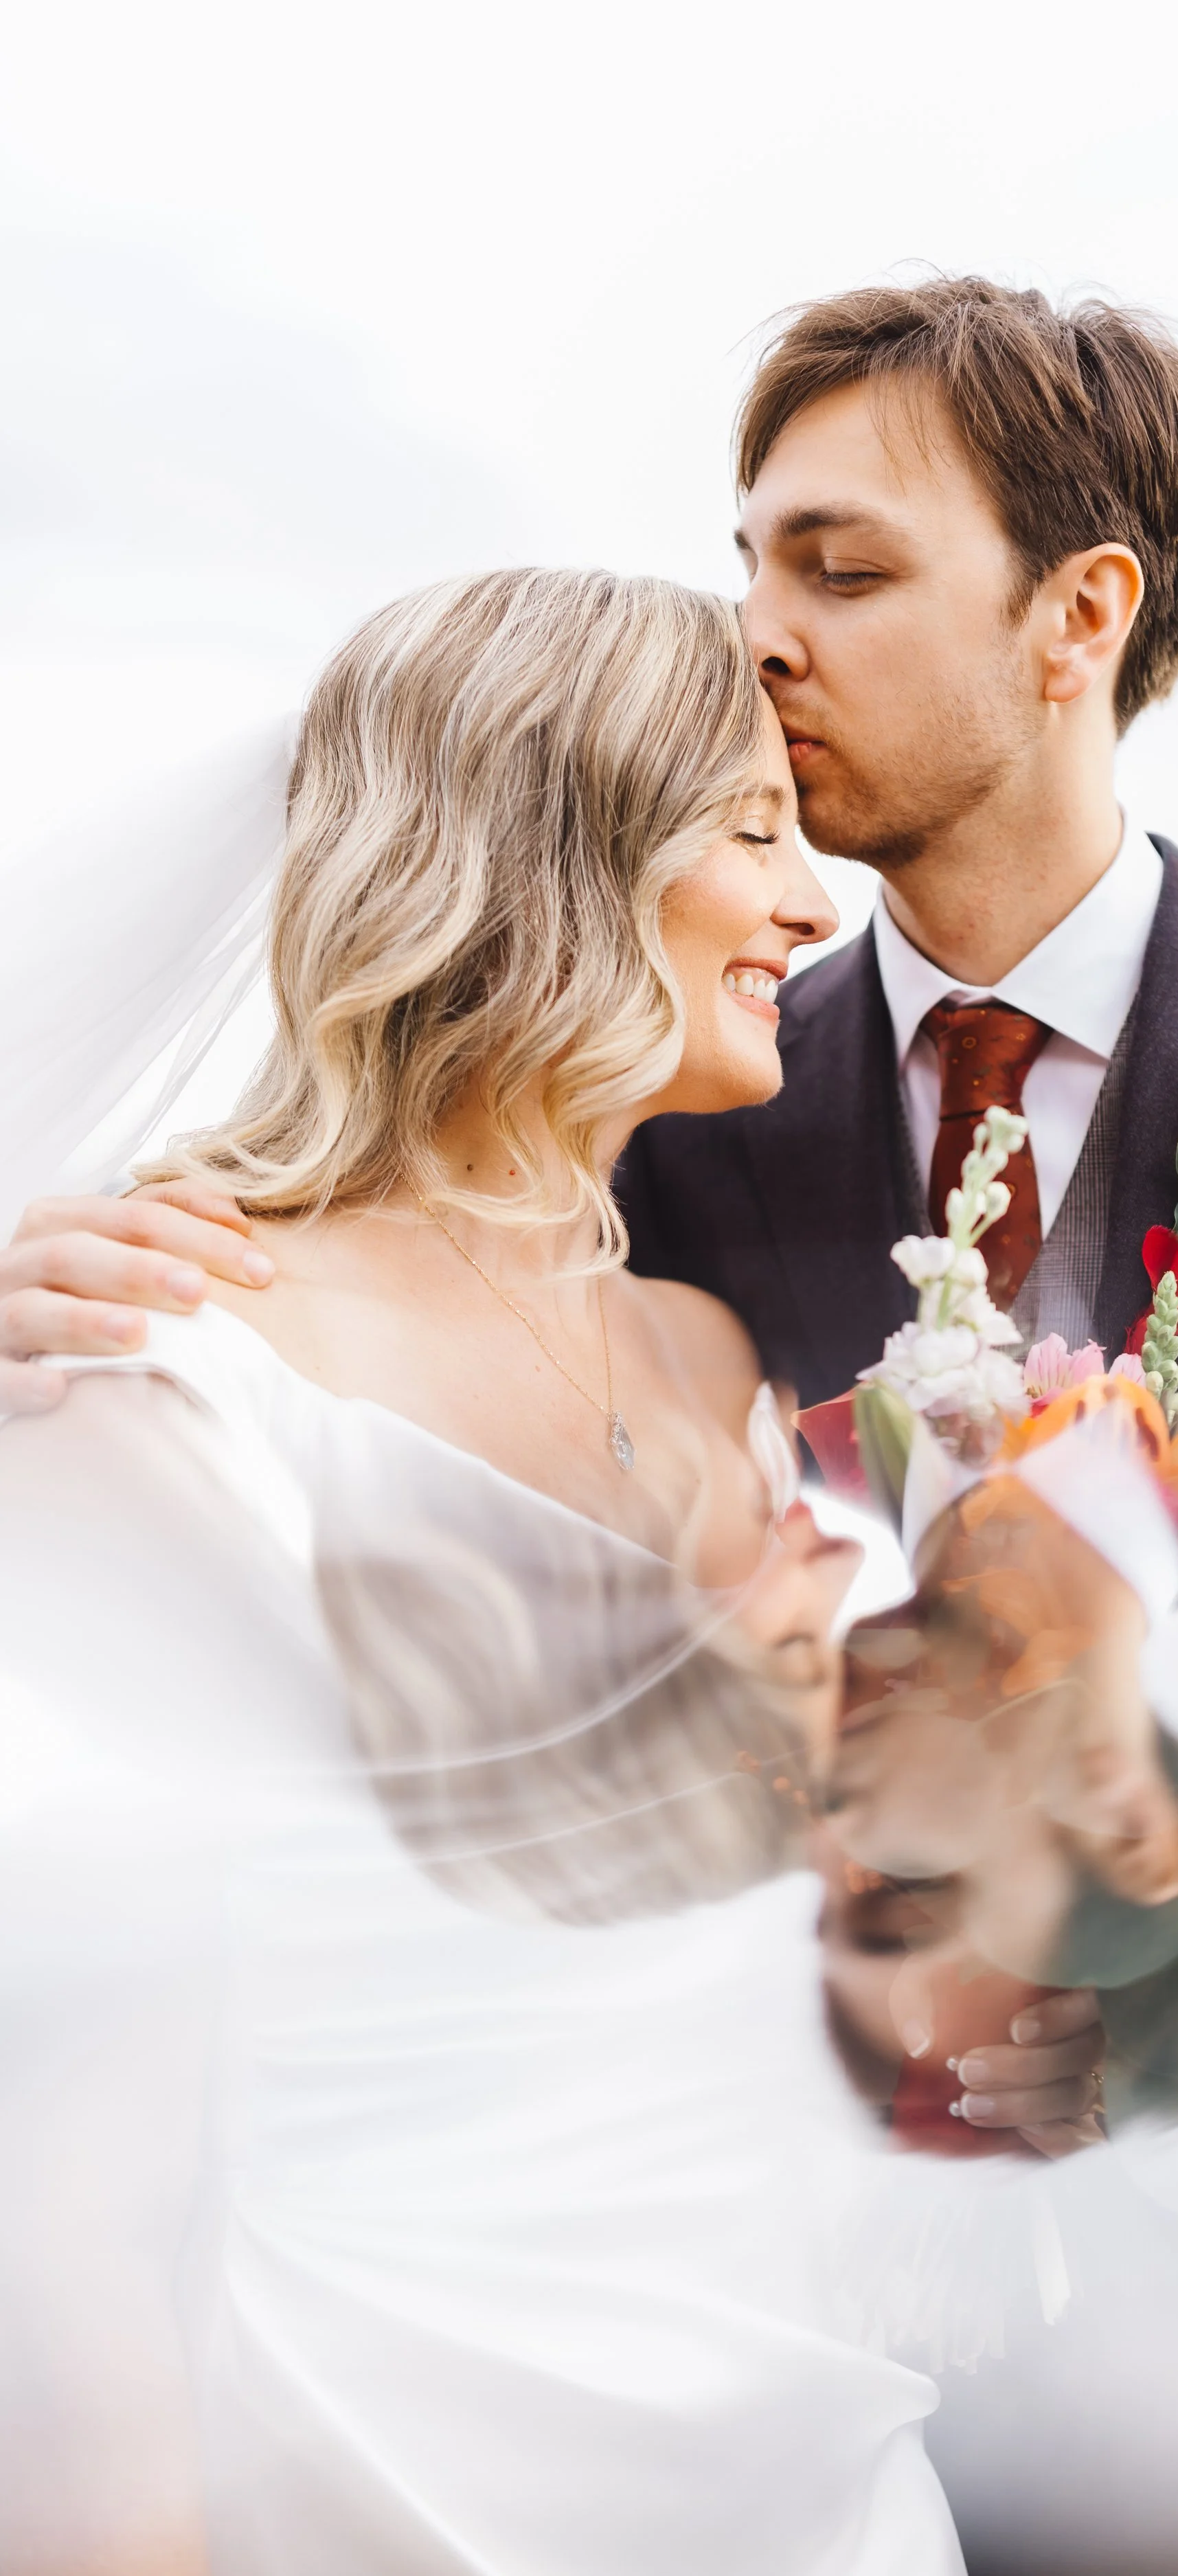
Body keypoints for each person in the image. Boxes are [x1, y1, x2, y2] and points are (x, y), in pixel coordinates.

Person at [0, 566, 1043, 2573]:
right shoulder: (169, 1353)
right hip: (395, 2459)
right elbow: (69, 2204)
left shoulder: (726, 1369)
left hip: (810, 2469)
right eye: (751, 831)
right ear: (542, 848)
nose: (812, 905)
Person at [0, 275, 1178, 1440]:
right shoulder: (666, 1115)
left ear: (1078, 618)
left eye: (839, 573)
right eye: (752, 566)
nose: (757, 639)